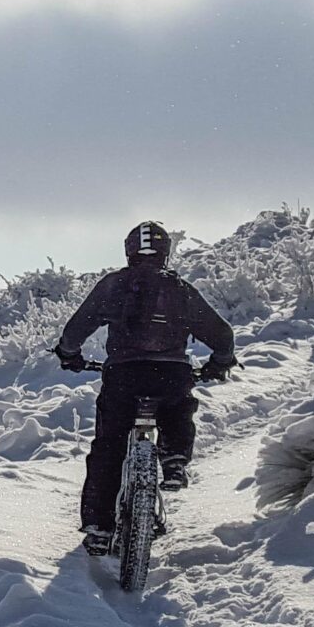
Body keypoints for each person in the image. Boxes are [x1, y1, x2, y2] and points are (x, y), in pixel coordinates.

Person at [52, 220, 238, 556]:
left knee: (108, 446)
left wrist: (69, 354)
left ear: (129, 251)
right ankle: (175, 460)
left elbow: (77, 328)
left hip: (123, 376)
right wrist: (220, 362)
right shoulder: (180, 288)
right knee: (178, 407)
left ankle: (98, 527)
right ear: (166, 252)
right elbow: (222, 334)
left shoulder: (113, 285)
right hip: (172, 374)